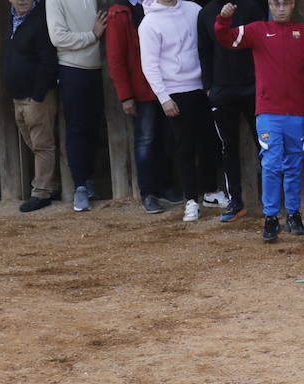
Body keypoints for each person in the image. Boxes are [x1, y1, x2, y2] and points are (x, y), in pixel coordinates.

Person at [214, 0, 304, 242]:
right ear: (270, 4)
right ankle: (270, 218)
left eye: (286, 4)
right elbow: (226, 38)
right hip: (268, 111)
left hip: (296, 113)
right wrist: (223, 19)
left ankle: (293, 214)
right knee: (271, 164)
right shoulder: (257, 30)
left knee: (293, 165)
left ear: (292, 6)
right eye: (277, 3)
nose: (281, 8)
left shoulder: (303, 32)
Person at [139, 0, 212, 222]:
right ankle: (191, 200)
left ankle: (211, 192)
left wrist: (210, 82)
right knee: (185, 147)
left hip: (202, 87)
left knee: (209, 142)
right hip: (176, 92)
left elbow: (206, 45)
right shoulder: (149, 23)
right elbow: (149, 64)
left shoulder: (194, 9)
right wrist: (163, 98)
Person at [198, 0, 264, 222]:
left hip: (252, 86)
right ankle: (236, 202)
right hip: (222, 90)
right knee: (228, 147)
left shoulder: (254, 6)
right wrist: (209, 87)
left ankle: (272, 202)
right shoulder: (206, 12)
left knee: (264, 143)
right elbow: (204, 52)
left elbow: (262, 43)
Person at [47, 0, 106, 211]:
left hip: (98, 68)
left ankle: (88, 180)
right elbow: (58, 38)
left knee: (94, 127)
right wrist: (92, 35)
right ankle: (80, 186)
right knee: (77, 129)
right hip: (72, 68)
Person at [107, 0, 165, 212]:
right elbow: (116, 58)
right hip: (142, 90)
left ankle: (165, 187)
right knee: (146, 140)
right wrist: (125, 96)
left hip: (167, 85)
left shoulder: (158, 5)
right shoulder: (119, 12)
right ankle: (148, 193)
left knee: (167, 138)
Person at [6, 0, 60, 211]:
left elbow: (48, 60)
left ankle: (42, 193)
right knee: (33, 143)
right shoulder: (11, 19)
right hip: (18, 96)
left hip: (36, 97)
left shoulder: (41, 19)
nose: (22, 0)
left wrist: (38, 95)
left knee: (42, 144)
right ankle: (52, 184)